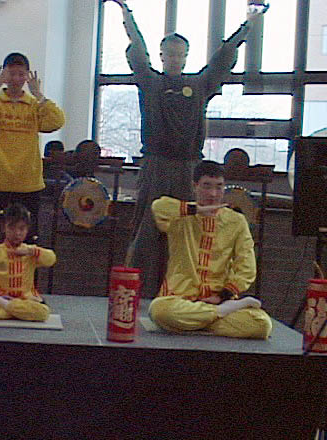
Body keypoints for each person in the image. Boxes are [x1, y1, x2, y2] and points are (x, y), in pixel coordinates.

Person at [109, 0, 269, 297]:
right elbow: (137, 51)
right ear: (162, 56)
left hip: (188, 168)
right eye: (169, 54)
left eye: (179, 54)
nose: (174, 59)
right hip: (155, 165)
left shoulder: (199, 85)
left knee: (188, 231)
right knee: (145, 230)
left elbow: (222, 59)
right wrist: (126, 14)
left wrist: (247, 25)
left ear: (185, 57)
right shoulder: (151, 82)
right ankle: (135, 296)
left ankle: (183, 293)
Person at [0, 52, 65, 301]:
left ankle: (28, 289)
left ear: (27, 76)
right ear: (4, 75)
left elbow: (56, 121)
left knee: (29, 238)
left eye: (21, 74)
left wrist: (39, 94)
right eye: (11, 73)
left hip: (27, 182)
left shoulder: (35, 106)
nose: (17, 79)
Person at [148, 161, 272, 339]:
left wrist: (223, 295)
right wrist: (197, 210)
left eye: (219, 187)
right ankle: (217, 315)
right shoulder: (181, 216)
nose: (213, 194)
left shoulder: (236, 221)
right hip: (180, 298)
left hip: (220, 299)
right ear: (195, 186)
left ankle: (195, 321)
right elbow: (158, 207)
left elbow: (246, 266)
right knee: (160, 311)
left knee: (261, 325)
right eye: (206, 186)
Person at [0, 203, 56, 322]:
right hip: (2, 297)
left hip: (26, 299)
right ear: (4, 228)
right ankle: (18, 312)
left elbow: (51, 259)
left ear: (27, 230)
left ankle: (8, 308)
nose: (17, 233)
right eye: (12, 228)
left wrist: (31, 251)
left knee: (43, 313)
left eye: (21, 228)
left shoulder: (30, 251)